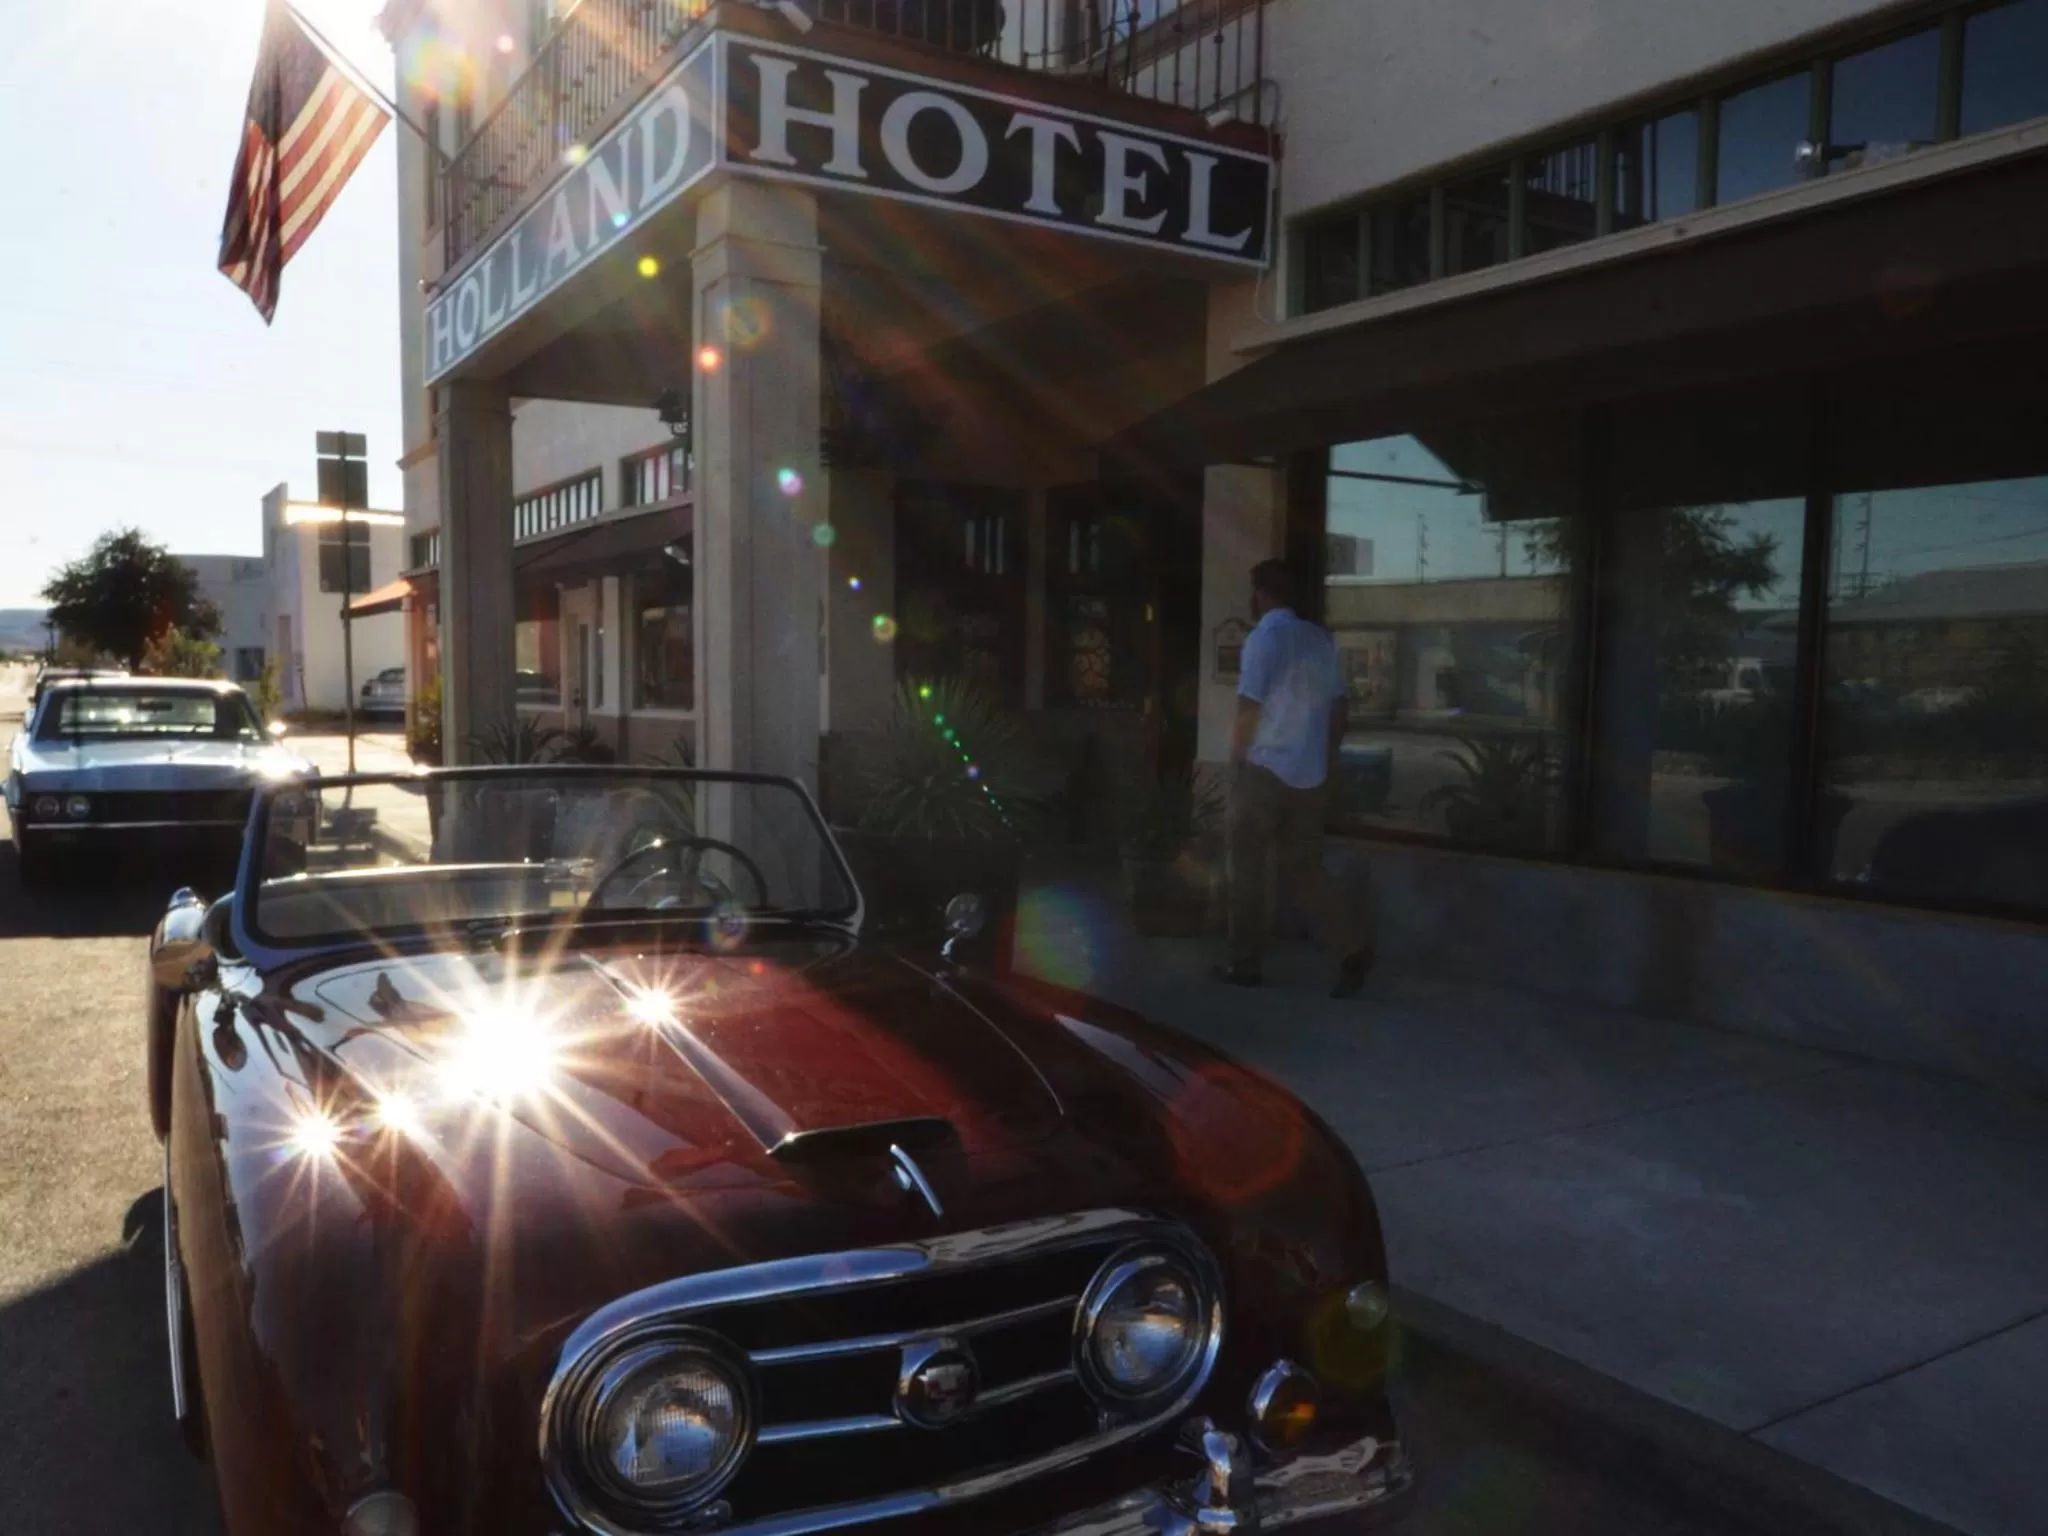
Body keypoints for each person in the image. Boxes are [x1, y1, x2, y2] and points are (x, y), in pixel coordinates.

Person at [1217, 560, 1374, 997]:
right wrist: (1327, 760)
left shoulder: (1263, 637)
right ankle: (1351, 949)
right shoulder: (1320, 640)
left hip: (1264, 769)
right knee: (1307, 870)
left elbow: (1249, 707)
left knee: (1246, 870)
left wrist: (1236, 763)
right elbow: (1340, 710)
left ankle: (1245, 964)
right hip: (1311, 773)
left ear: (1262, 594)